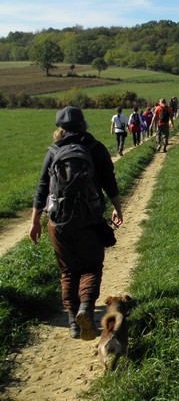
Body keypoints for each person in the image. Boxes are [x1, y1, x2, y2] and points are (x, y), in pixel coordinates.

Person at [29, 106, 123, 340]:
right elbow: (109, 182)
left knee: (68, 271)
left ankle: (73, 321)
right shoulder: (96, 148)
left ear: (59, 128)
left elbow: (42, 188)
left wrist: (35, 221)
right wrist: (117, 208)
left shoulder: (53, 151)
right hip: (89, 220)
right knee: (91, 267)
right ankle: (85, 310)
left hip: (58, 223)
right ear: (84, 124)